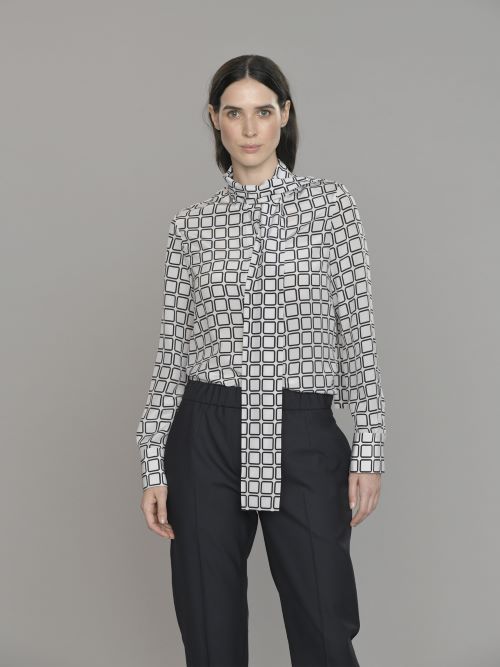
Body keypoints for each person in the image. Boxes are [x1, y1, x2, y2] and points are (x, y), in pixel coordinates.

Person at [136, 54, 386, 667]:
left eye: (263, 111)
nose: (249, 128)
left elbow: (357, 331)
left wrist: (370, 447)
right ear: (215, 121)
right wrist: (152, 461)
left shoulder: (330, 208)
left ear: (285, 116)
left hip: (302, 429)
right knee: (209, 629)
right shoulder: (191, 226)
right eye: (234, 113)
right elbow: (171, 349)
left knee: (324, 624)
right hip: (206, 431)